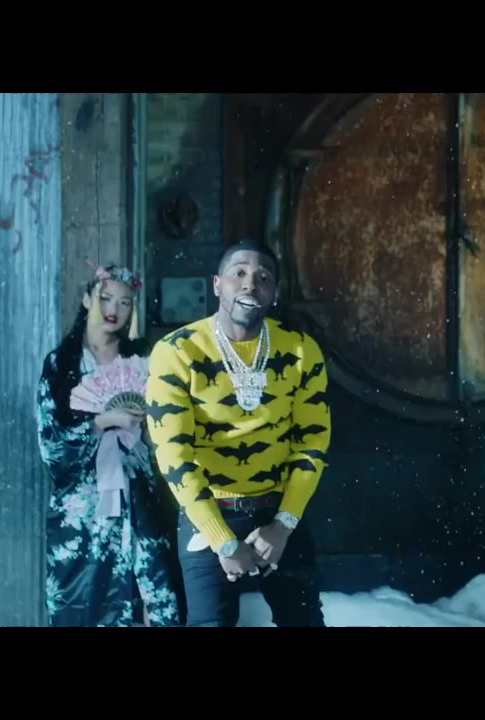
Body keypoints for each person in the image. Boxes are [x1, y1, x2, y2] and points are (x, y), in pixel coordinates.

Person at [145, 240, 331, 627]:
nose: (250, 284)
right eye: (239, 273)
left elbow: (312, 443)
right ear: (217, 284)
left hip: (279, 511)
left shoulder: (300, 351)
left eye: (264, 277)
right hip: (207, 512)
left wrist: (283, 525)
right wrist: (223, 540)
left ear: (274, 293)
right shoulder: (177, 352)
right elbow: (174, 456)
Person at [35, 262, 182, 627]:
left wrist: (146, 428)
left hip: (142, 497)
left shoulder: (144, 359)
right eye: (105, 298)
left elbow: (172, 425)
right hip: (85, 510)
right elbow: (51, 444)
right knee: (86, 603)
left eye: (125, 302)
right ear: (87, 299)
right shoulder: (61, 365)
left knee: (158, 599)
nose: (114, 309)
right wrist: (101, 422)